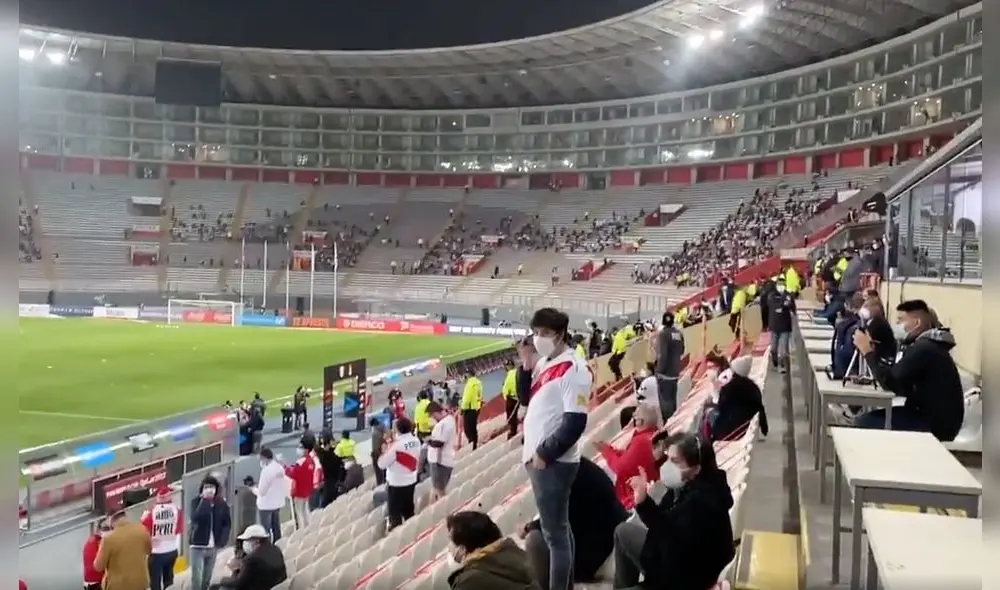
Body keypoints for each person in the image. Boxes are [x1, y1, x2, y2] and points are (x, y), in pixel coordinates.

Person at [519, 307, 591, 590]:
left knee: (555, 537)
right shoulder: (546, 363)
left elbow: (576, 421)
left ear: (561, 334)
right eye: (536, 332)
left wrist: (545, 453)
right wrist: (526, 368)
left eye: (546, 333)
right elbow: (526, 399)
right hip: (541, 459)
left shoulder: (574, 368)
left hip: (553, 462)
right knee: (560, 529)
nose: (539, 338)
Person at [612, 433, 735, 590]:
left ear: (696, 468)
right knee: (623, 531)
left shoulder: (702, 502)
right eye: (668, 458)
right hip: (674, 561)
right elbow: (664, 521)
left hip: (685, 578)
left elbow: (669, 536)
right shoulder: (686, 485)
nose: (667, 466)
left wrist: (643, 502)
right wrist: (644, 501)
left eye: (675, 461)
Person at [852, 299, 964, 440]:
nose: (896, 325)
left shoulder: (923, 349)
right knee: (871, 419)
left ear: (917, 323)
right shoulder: (929, 346)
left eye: (901, 320)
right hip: (935, 419)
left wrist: (867, 352)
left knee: (864, 422)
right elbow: (900, 383)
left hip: (933, 424)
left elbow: (890, 382)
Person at [522, 456, 628, 586]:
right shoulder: (578, 465)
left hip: (600, 552)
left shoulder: (561, 478)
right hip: (613, 532)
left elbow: (557, 521)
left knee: (534, 541)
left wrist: (529, 527)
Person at [445, 511, 540, 590]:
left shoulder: (466, 582)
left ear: (463, 550)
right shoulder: (513, 551)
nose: (449, 547)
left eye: (451, 541)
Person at [594, 403, 660, 510]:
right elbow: (630, 457)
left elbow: (621, 468)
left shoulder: (641, 441)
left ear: (640, 422)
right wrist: (611, 451)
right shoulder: (652, 434)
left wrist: (605, 451)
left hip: (636, 489)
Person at [701, 354, 768, 442]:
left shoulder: (729, 386)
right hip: (742, 424)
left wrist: (715, 386)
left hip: (736, 429)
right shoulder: (741, 382)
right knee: (708, 410)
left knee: (707, 412)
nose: (709, 371)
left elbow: (722, 407)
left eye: (711, 367)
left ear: (719, 367)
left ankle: (702, 442)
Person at [210, 524, 288, 590]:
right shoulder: (276, 549)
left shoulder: (251, 559)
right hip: (277, 586)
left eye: (247, 540)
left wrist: (224, 579)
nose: (244, 544)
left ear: (256, 541)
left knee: (219, 587)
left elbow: (238, 583)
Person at [189, 474, 233, 590]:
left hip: (213, 546)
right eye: (206, 487)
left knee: (207, 578)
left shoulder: (221, 504)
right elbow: (196, 518)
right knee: (197, 578)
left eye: (212, 487)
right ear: (202, 489)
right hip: (198, 545)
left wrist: (223, 539)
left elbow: (226, 523)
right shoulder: (196, 502)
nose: (209, 490)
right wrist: (205, 502)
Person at [94, 507, 153, 590]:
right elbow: (149, 550)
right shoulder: (142, 529)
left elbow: (98, 566)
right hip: (140, 583)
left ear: (110, 519)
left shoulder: (108, 539)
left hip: (118, 586)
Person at [378, 416, 421, 529]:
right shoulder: (416, 440)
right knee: (408, 510)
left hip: (397, 484)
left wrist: (384, 451)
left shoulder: (396, 446)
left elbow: (381, 464)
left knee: (395, 514)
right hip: (411, 480)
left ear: (398, 430)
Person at [140, 487, 184, 590]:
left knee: (155, 581)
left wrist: (145, 513)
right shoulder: (177, 510)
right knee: (169, 580)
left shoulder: (152, 513)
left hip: (156, 553)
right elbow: (179, 530)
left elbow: (144, 527)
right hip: (172, 550)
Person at [653, 312, 685, 422]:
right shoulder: (679, 334)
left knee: (666, 406)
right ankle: (674, 424)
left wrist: (658, 371)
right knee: (673, 402)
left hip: (665, 375)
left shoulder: (663, 334)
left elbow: (663, 355)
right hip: (675, 373)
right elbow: (682, 351)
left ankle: (669, 427)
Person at [253, 448, 288, 543]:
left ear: (264, 458)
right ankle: (278, 544)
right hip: (277, 503)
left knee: (266, 529)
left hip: (266, 505)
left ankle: (267, 546)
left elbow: (261, 492)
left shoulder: (266, 471)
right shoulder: (279, 467)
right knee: (276, 527)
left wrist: (253, 489)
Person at [284, 436, 317, 530]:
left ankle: (302, 531)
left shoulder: (301, 461)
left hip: (299, 491)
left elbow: (292, 474)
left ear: (306, 449)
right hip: (307, 491)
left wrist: (285, 467)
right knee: (305, 510)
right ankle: (309, 528)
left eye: (300, 447)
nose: (298, 449)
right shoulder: (311, 461)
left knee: (299, 512)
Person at [426, 401, 457, 498]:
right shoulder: (448, 421)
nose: (432, 418)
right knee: (438, 489)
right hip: (442, 460)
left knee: (439, 490)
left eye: (432, 415)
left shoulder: (445, 423)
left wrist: (428, 441)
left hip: (440, 462)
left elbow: (439, 443)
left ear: (435, 412)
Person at [765, 277, 796, 372]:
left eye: (783, 285)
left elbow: (792, 307)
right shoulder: (771, 295)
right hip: (774, 326)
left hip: (785, 326)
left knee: (783, 351)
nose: (781, 287)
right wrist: (783, 305)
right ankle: (774, 360)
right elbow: (773, 305)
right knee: (773, 348)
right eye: (779, 285)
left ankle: (782, 366)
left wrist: (787, 306)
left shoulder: (788, 295)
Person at [82, 519, 110, 590]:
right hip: (96, 582)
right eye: (107, 529)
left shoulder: (92, 540)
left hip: (90, 581)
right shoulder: (100, 542)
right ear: (100, 530)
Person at [460, 370, 483, 449]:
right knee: (473, 427)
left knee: (467, 429)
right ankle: (475, 443)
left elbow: (467, 398)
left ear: (468, 375)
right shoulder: (478, 382)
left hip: (469, 408)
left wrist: (462, 408)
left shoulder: (469, 384)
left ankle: (472, 443)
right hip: (476, 407)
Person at [501, 359, 520, 439]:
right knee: (513, 415)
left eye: (507, 366)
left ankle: (513, 432)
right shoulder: (517, 371)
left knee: (511, 416)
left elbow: (506, 389)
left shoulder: (509, 374)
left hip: (512, 398)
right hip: (518, 396)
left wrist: (506, 397)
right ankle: (514, 429)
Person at [368, 418, 387, 486]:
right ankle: (384, 482)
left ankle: (380, 484)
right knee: (384, 469)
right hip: (384, 451)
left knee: (377, 470)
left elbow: (375, 446)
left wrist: (373, 454)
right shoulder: (384, 427)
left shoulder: (375, 433)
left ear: (373, 425)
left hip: (377, 453)